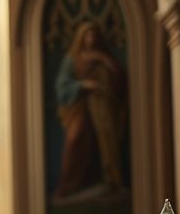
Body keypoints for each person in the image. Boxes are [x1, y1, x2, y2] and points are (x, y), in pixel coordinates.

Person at [53, 21, 126, 202]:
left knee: (105, 140)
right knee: (75, 138)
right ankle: (68, 185)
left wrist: (103, 60)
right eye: (87, 35)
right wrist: (84, 85)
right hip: (79, 107)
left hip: (101, 107)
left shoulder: (103, 57)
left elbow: (117, 78)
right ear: (81, 38)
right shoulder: (72, 59)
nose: (91, 39)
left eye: (93, 35)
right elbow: (62, 87)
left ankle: (109, 181)